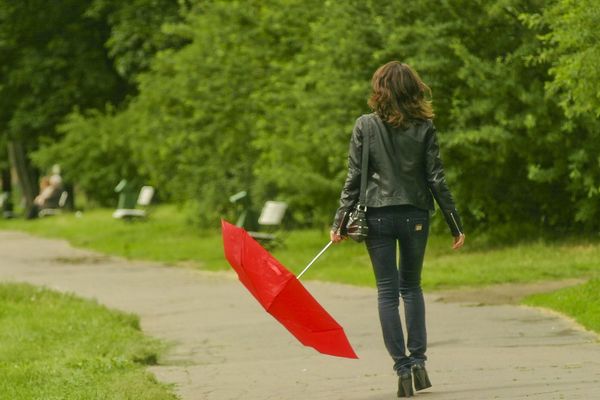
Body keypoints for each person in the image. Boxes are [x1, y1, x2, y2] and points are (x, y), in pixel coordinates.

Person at [330, 61, 465, 397]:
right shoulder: (425, 126)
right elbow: (436, 177)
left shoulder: (365, 125)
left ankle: (402, 368)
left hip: (376, 216)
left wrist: (340, 221)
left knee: (387, 293)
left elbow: (353, 177)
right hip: (416, 214)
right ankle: (419, 361)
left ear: (380, 89)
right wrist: (455, 223)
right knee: (412, 287)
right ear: (412, 88)